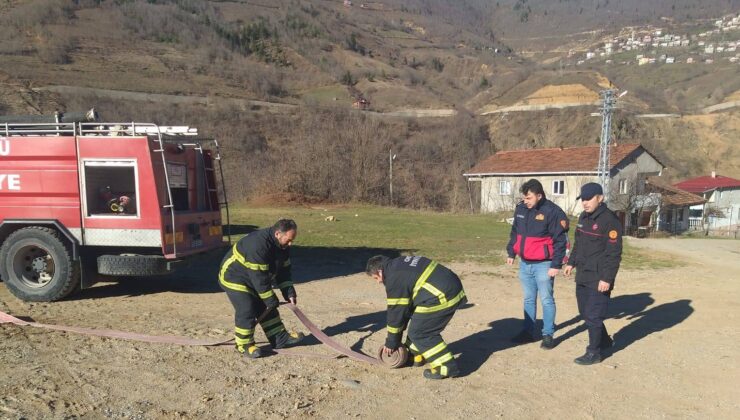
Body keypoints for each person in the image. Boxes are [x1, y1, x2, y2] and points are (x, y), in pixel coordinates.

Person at [365, 255, 467, 380]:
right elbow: (405, 310)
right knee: (418, 323)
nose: (378, 282)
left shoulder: (394, 279)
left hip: (443, 295)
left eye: (376, 278)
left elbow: (396, 314)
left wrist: (392, 342)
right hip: (447, 287)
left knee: (421, 333)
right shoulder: (397, 264)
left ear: (380, 272)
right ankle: (415, 356)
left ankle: (446, 367)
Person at [219, 219, 305, 358]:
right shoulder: (258, 245)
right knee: (247, 307)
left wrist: (288, 291)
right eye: (289, 240)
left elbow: (283, 271)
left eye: (292, 240)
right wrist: (270, 299)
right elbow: (259, 278)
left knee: (266, 304)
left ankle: (279, 338)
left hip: (254, 278)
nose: (291, 244)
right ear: (278, 233)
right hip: (234, 276)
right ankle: (244, 345)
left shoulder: (282, 247)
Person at [563, 182, 622, 365]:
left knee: (594, 315)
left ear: (600, 198)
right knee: (585, 312)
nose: (585, 203)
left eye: (589, 199)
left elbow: (614, 254)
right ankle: (604, 341)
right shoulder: (584, 217)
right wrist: (571, 263)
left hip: (599, 276)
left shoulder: (610, 221)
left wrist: (607, 278)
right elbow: (578, 243)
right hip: (583, 273)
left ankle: (594, 352)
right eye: (583, 199)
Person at [506, 178, 569, 349]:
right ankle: (528, 332)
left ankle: (548, 334)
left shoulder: (553, 212)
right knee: (528, 299)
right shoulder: (520, 209)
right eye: (524, 198)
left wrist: (556, 264)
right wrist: (511, 251)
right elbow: (515, 232)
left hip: (544, 265)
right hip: (525, 263)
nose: (525, 201)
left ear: (539, 195)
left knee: (547, 300)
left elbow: (560, 241)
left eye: (529, 198)